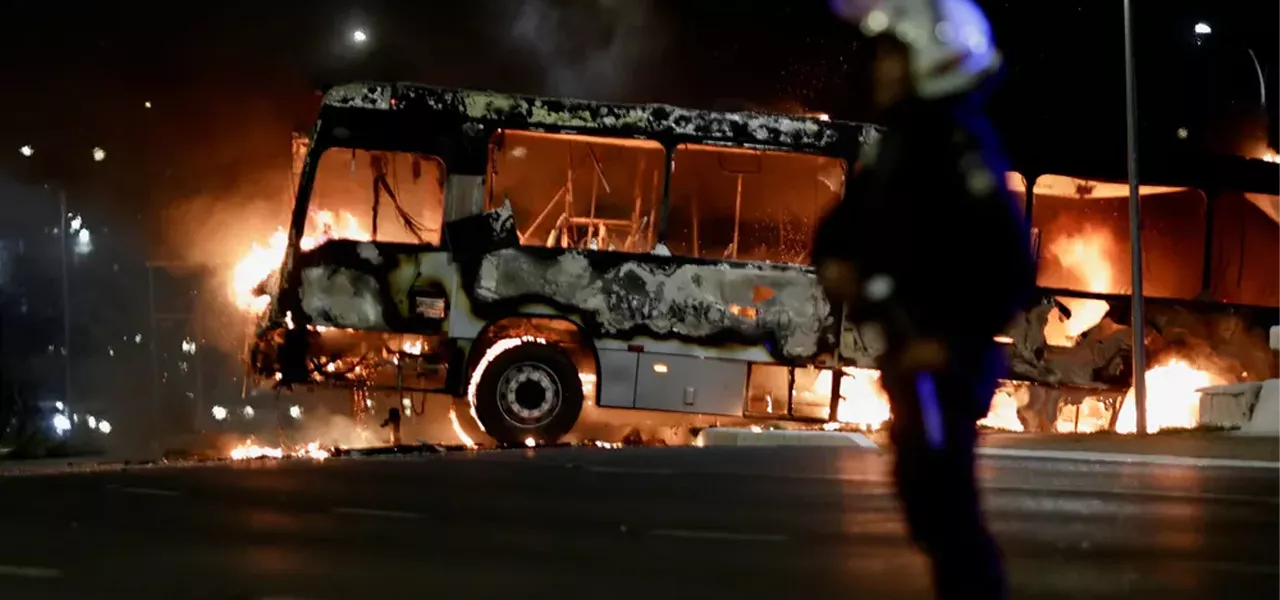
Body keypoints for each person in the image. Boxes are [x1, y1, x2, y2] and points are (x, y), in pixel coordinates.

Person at [816, 1, 1036, 598]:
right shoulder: (906, 145)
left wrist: (946, 339)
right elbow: (847, 225)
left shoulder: (958, 147)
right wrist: (837, 261)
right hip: (908, 359)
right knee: (926, 502)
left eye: (894, 54)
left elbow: (1011, 264)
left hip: (944, 365)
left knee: (946, 511)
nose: (880, 68)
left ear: (936, 59)